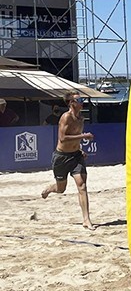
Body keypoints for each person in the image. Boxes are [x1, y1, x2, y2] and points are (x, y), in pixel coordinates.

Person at [41, 92, 97, 230]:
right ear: (71, 103)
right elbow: (63, 138)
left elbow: (75, 137)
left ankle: (86, 219)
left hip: (76, 155)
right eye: (79, 100)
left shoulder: (81, 118)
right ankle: (49, 189)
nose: (82, 102)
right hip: (62, 157)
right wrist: (83, 136)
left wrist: (80, 149)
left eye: (82, 99)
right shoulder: (66, 117)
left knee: (82, 186)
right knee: (61, 189)